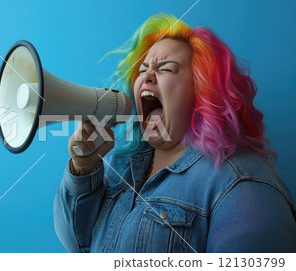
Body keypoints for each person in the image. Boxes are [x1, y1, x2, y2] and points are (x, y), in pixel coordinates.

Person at [53, 14, 296, 253]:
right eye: (143, 68)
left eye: (166, 69)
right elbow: (78, 242)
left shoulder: (241, 186)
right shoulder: (123, 167)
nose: (146, 75)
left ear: (203, 91)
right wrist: (84, 166)